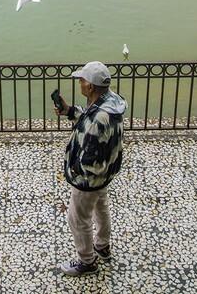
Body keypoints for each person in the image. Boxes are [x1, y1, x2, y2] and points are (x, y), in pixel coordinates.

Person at [53, 61, 127, 277]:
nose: (80, 83)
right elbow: (89, 116)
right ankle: (102, 245)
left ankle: (87, 261)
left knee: (77, 217)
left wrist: (77, 171)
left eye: (82, 80)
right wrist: (70, 111)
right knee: (100, 207)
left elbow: (91, 155)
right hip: (106, 172)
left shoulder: (98, 118)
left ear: (91, 86)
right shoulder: (111, 102)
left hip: (89, 178)